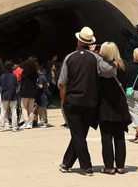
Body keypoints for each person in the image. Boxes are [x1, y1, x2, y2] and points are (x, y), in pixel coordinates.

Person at [58, 27, 117, 176]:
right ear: (90, 42)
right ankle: (66, 163)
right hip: (90, 102)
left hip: (72, 100)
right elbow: (110, 71)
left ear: (78, 40)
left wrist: (62, 101)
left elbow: (62, 82)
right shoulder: (95, 58)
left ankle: (86, 166)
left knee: (77, 134)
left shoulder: (69, 57)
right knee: (80, 134)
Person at [97, 42, 131, 175]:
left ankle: (109, 166)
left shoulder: (100, 68)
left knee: (106, 137)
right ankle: (121, 166)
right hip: (120, 104)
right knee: (120, 136)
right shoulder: (124, 66)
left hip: (105, 104)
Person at [0, 60, 19, 132]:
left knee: (3, 110)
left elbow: (0, 86)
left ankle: (1, 127)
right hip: (12, 94)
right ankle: (15, 127)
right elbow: (16, 85)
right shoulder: (14, 76)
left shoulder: (2, 76)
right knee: (14, 110)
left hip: (5, 94)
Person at [19, 58, 38, 129]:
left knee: (24, 107)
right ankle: (30, 123)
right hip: (32, 91)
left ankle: (26, 121)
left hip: (25, 91)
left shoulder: (24, 74)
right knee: (31, 108)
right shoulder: (35, 73)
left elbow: (22, 81)